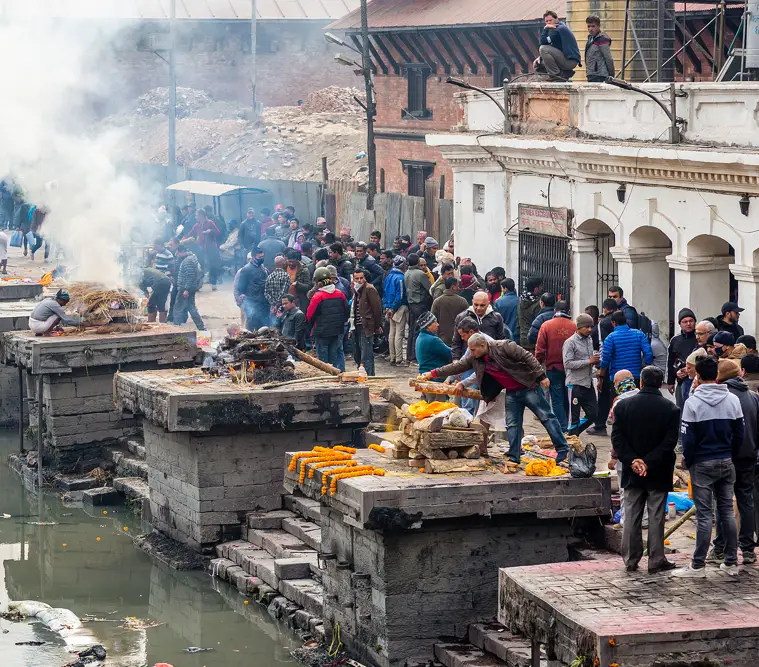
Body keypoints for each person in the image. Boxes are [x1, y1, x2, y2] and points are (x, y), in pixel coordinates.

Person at [421, 334, 569, 464]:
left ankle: (562, 449)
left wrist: (541, 376)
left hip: (528, 386)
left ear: (483, 345)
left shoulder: (504, 346)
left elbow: (527, 356)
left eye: (473, 350)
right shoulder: (475, 358)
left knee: (546, 416)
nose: (471, 353)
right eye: (470, 350)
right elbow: (456, 367)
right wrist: (432, 374)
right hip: (511, 392)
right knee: (512, 424)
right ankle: (514, 456)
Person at [674, 356, 744, 578]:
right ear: (716, 375)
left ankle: (698, 565)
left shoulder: (692, 402)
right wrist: (730, 454)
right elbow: (740, 434)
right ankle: (731, 562)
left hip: (702, 463)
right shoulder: (732, 400)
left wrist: (689, 460)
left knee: (705, 516)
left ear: (697, 376)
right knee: (727, 512)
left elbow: (688, 439)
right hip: (726, 460)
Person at [612, 365, 680, 574]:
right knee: (656, 515)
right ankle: (656, 559)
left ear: (641, 382)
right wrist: (648, 462)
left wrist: (634, 461)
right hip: (658, 469)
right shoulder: (670, 409)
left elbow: (617, 439)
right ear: (660, 384)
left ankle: (631, 559)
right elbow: (669, 442)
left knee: (631, 514)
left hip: (632, 471)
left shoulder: (623, 406)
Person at [713, 358, 759, 566]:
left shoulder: (723, 398)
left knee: (723, 503)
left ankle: (721, 547)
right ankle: (748, 549)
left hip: (727, 456)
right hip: (748, 456)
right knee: (745, 501)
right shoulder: (752, 397)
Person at [535, 300, 575, 431]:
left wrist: (538, 368)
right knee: (567, 398)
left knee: (557, 399)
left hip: (553, 368)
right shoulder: (574, 326)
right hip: (571, 369)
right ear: (568, 311)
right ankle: (568, 425)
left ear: (554, 311)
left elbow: (539, 350)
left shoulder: (546, 326)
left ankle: (562, 428)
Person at [563, 313, 599, 436]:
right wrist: (588, 361)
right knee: (574, 418)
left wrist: (595, 363)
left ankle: (571, 434)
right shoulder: (570, 342)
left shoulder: (589, 339)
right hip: (575, 384)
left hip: (587, 383)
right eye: (586, 327)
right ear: (578, 327)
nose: (590, 329)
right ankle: (572, 438)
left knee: (593, 414)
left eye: (591, 326)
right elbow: (568, 364)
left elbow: (589, 359)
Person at [306, 266, 349, 371]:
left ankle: (326, 381)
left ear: (318, 282)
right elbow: (346, 312)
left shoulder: (317, 297)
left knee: (323, 363)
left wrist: (311, 331)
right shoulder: (340, 294)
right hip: (336, 332)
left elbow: (309, 316)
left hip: (322, 333)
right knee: (333, 360)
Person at [599, 310, 653, 386]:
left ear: (613, 323)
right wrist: (646, 368)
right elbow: (648, 354)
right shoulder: (639, 334)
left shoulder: (610, 338)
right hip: (635, 377)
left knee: (619, 398)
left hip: (617, 378)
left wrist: (601, 377)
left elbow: (605, 359)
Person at [450, 291, 508, 360]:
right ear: (472, 302)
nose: (479, 308)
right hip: (468, 361)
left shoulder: (497, 318)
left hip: (490, 361)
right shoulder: (461, 317)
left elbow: (501, 340)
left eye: (482, 305)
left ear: (488, 303)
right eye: (476, 305)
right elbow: (456, 342)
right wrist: (455, 359)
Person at [351, 267, 382, 376]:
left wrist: (377, 325)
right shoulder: (355, 289)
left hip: (367, 326)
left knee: (366, 356)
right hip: (356, 326)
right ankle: (364, 375)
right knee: (358, 355)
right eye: (357, 278)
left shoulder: (369, 289)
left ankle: (368, 378)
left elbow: (377, 309)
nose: (359, 280)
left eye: (361, 278)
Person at [415, 312, 452, 401]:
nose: (438, 324)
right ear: (428, 326)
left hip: (425, 377)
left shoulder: (420, 337)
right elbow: (450, 354)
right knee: (437, 409)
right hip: (434, 380)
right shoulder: (433, 340)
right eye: (435, 322)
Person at [535, 10, 581, 79]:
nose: (548, 23)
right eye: (546, 21)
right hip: (565, 59)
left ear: (556, 19)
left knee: (543, 48)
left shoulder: (559, 29)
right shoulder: (557, 28)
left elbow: (542, 42)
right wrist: (540, 57)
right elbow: (552, 47)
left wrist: (545, 29)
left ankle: (555, 75)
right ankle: (564, 73)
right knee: (538, 64)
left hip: (570, 61)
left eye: (550, 20)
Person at [404, 253, 432, 363]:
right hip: (420, 304)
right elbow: (430, 288)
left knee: (412, 330)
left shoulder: (407, 273)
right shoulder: (420, 274)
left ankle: (409, 355)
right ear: (417, 263)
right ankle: (415, 355)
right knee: (418, 330)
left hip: (411, 304)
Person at [666, 308, 698, 406]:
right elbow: (671, 361)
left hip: (698, 381)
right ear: (680, 324)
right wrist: (671, 381)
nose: (688, 324)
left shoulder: (699, 338)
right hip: (681, 380)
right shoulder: (675, 340)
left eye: (691, 321)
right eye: (685, 322)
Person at [184, 209, 221, 291]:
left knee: (212, 265)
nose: (195, 217)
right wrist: (181, 240)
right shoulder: (197, 225)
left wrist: (210, 231)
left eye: (197, 215)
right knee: (200, 266)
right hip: (201, 248)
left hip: (211, 247)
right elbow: (190, 234)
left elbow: (218, 232)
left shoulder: (210, 223)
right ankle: (199, 283)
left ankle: (213, 283)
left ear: (201, 215)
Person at [383, 255, 408, 366]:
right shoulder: (401, 278)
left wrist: (387, 307)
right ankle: (398, 358)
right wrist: (393, 308)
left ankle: (393, 356)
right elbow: (400, 296)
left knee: (391, 333)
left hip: (389, 307)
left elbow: (384, 293)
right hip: (399, 308)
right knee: (399, 333)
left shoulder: (389, 277)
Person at [172, 246, 205, 330]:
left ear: (182, 251)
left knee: (178, 309)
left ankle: (176, 330)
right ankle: (202, 329)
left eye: (177, 252)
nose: (176, 254)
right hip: (189, 288)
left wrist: (186, 289)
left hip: (185, 289)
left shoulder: (187, 261)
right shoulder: (192, 258)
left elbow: (190, 276)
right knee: (191, 308)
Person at [237, 246, 269, 330]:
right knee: (252, 327)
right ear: (253, 257)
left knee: (264, 328)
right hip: (253, 303)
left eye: (263, 257)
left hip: (264, 303)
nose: (262, 259)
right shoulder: (246, 270)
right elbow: (241, 287)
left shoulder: (262, 268)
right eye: (260, 257)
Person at [431, 277, 469, 347]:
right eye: (457, 286)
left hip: (442, 339)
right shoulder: (462, 301)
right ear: (453, 287)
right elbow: (468, 319)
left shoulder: (437, 301)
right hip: (459, 338)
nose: (459, 288)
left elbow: (433, 320)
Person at [584, 14, 615, 82]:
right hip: (591, 74)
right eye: (588, 26)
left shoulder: (602, 39)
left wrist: (611, 75)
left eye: (593, 26)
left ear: (598, 26)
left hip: (600, 76)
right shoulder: (590, 39)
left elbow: (608, 58)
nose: (590, 29)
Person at [518, 277, 543, 350]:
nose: (542, 288)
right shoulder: (537, 304)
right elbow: (538, 322)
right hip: (533, 338)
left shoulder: (521, 299)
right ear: (536, 289)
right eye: (540, 286)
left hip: (522, 337)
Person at [265, 256, 291, 325]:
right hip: (283, 307)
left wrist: (273, 304)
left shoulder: (269, 276)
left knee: (273, 329)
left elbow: (266, 293)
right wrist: (277, 305)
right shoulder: (286, 276)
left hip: (272, 308)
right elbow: (284, 293)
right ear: (283, 264)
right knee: (283, 328)